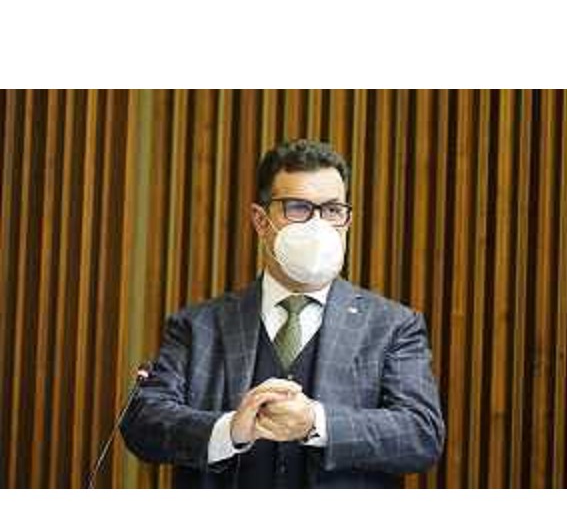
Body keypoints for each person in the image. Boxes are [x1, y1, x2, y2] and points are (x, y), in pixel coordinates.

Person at [120, 139, 445, 488]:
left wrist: (315, 423)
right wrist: (229, 430)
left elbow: (422, 432)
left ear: (347, 220)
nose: (319, 225)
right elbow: (142, 421)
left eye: (333, 210)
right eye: (298, 208)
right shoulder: (198, 326)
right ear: (261, 221)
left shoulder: (392, 326)